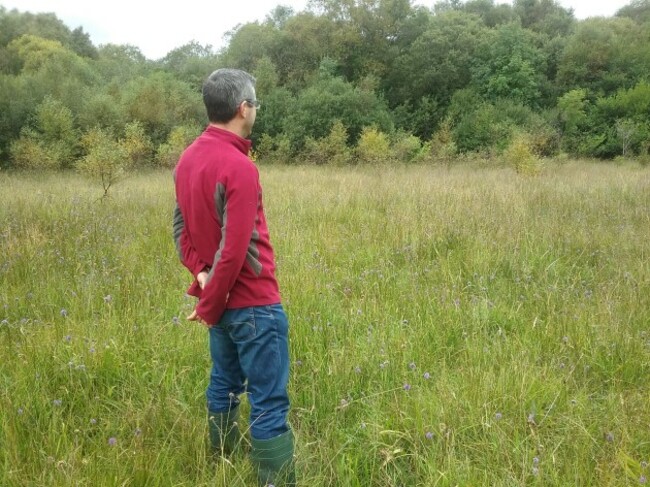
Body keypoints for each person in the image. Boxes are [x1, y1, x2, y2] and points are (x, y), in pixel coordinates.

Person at [172, 68, 295, 486]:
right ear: (244, 108)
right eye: (256, 104)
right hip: (254, 305)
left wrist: (201, 274)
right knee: (269, 401)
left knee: (224, 382)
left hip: (220, 301)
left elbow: (180, 229)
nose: (256, 111)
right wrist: (209, 299)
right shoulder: (239, 166)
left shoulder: (187, 159)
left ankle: (221, 464)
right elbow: (235, 246)